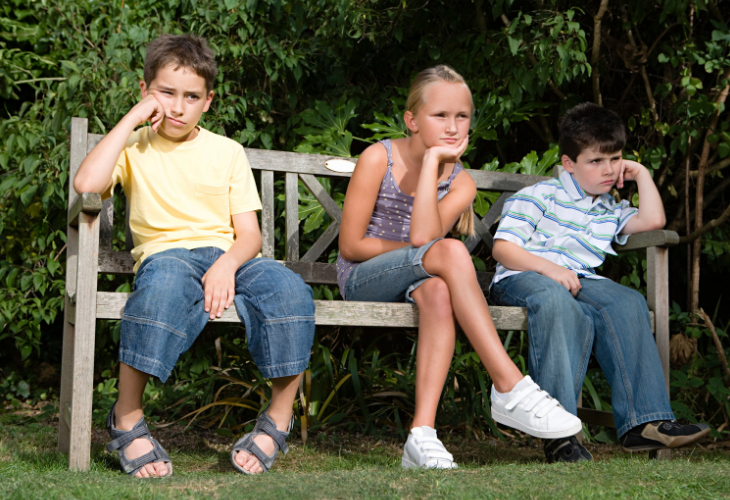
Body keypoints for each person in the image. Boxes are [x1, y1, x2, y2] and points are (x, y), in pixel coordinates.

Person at [73, 34, 315, 477]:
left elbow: (249, 236)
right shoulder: (133, 146)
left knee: (289, 290)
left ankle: (277, 419)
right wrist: (134, 119)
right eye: (166, 93)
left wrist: (225, 265)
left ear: (208, 101)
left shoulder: (227, 151)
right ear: (145, 91)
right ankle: (126, 417)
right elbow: (86, 184)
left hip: (232, 258)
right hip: (169, 257)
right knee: (160, 290)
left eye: (191, 96)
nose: (178, 106)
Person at [337, 65, 582, 469]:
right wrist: (424, 252)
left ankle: (421, 435)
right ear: (412, 120)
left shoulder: (461, 182)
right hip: (366, 277)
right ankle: (509, 385)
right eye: (440, 116)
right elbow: (353, 245)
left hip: (422, 278)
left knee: (437, 288)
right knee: (448, 253)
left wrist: (434, 166)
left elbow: (425, 238)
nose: (453, 127)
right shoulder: (378, 157)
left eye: (462, 116)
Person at [490, 102, 710, 463]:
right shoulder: (538, 196)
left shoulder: (608, 208)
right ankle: (560, 434)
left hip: (580, 281)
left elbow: (653, 220)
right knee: (557, 302)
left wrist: (639, 174)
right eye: (596, 161)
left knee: (627, 302)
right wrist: (550, 269)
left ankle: (645, 423)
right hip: (525, 277)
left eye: (615, 159)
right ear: (568, 163)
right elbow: (503, 248)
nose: (608, 170)